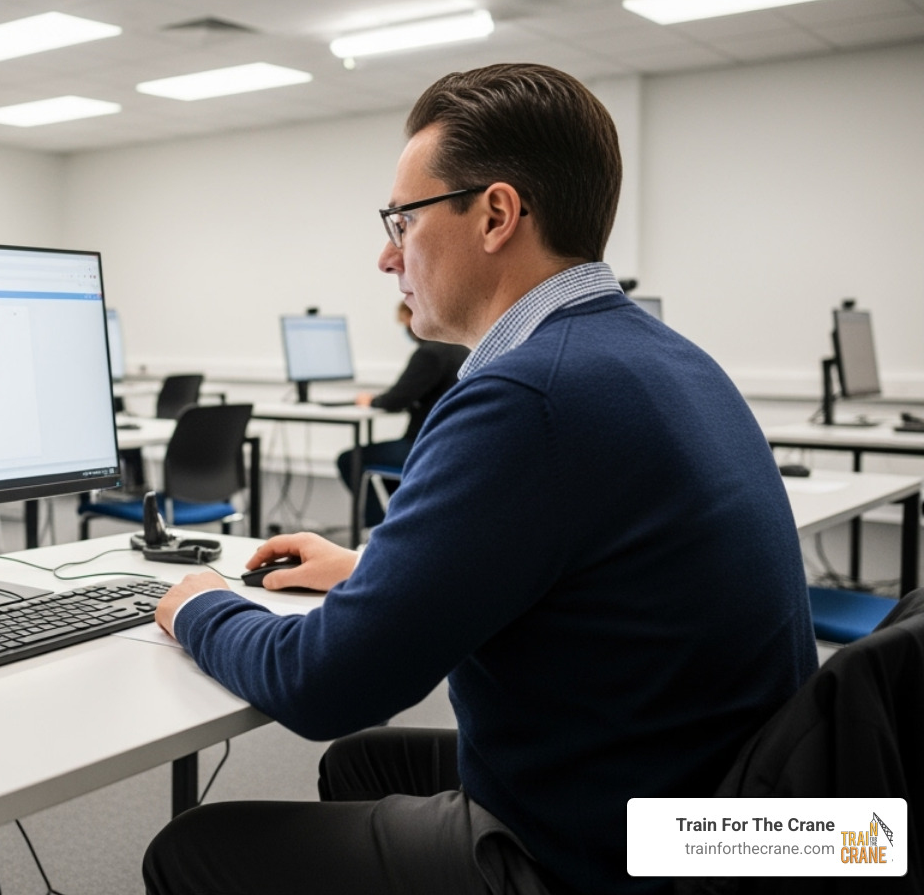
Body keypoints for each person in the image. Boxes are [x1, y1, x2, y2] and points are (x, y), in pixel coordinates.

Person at [145, 64, 815, 895]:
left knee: (195, 846)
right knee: (367, 769)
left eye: (403, 218)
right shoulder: (660, 358)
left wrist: (199, 603)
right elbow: (587, 566)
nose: (388, 254)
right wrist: (372, 570)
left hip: (619, 855)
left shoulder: (526, 395)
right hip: (736, 822)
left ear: (495, 214)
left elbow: (328, 687)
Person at [337, 302, 467, 526]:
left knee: (350, 459)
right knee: (380, 465)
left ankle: (378, 526)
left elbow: (395, 400)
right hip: (449, 445)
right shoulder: (460, 348)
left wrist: (371, 400)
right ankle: (399, 520)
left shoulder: (429, 353)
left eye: (405, 322)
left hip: (422, 446)